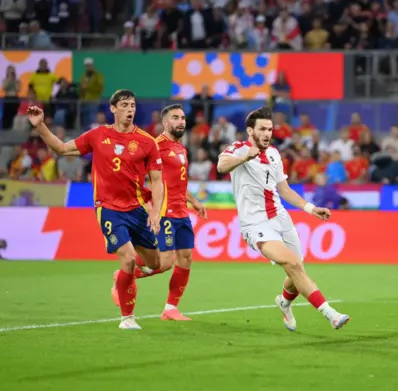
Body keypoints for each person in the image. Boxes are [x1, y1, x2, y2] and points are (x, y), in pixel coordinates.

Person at [26, 90, 164, 330]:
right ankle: (127, 318)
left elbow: (157, 180)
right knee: (129, 258)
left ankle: (119, 278)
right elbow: (61, 149)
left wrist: (155, 212)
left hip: (137, 209)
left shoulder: (147, 141)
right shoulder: (98, 135)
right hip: (108, 208)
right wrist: (40, 126)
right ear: (113, 109)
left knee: (155, 263)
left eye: (132, 104)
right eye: (124, 105)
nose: (129, 109)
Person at [217, 107, 350, 331]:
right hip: (255, 223)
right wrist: (243, 158)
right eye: (262, 129)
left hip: (280, 217)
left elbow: (284, 189)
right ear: (250, 131)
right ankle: (330, 313)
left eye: (270, 129)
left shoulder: (274, 154)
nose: (267, 133)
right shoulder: (238, 149)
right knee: (293, 264)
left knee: (297, 269)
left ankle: (284, 302)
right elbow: (221, 166)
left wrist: (310, 208)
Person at [111, 104, 207, 321]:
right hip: (165, 213)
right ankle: (125, 276)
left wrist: (194, 202)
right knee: (164, 263)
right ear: (165, 123)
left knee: (186, 258)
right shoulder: (155, 146)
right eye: (175, 118)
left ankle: (170, 309)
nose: (181, 121)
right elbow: (138, 177)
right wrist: (147, 206)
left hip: (182, 212)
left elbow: (177, 183)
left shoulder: (181, 149)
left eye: (182, 117)